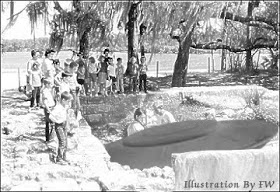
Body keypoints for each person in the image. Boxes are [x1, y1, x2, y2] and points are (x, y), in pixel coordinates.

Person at [48, 91, 73, 165]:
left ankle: (64, 157)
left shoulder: (64, 106)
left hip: (64, 125)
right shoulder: (58, 107)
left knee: (65, 142)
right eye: (68, 101)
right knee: (62, 141)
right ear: (63, 100)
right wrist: (57, 121)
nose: (69, 103)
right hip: (59, 126)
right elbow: (51, 116)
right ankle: (59, 158)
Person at [41, 78, 56, 142]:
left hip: (50, 107)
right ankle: (50, 138)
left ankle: (48, 138)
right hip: (49, 108)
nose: (51, 85)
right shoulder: (45, 92)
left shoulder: (47, 90)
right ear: (47, 84)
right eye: (50, 84)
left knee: (48, 124)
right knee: (52, 124)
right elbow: (45, 102)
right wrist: (49, 110)